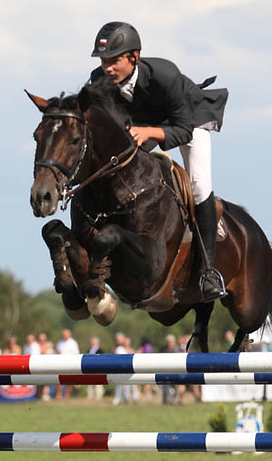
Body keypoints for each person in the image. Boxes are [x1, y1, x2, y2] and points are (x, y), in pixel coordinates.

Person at [90, 21, 229, 302]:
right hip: (145, 124)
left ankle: (208, 272)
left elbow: (183, 129)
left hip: (189, 119)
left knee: (199, 186)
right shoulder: (100, 80)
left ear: (135, 57)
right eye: (104, 61)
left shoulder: (165, 74)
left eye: (114, 61)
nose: (108, 68)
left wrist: (150, 132)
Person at [55, 329, 80, 399]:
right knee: (58, 379)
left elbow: (76, 353)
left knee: (69, 380)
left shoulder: (73, 343)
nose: (64, 336)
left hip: (69, 363)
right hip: (60, 363)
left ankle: (67, 395)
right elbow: (57, 351)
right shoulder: (60, 342)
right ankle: (58, 395)